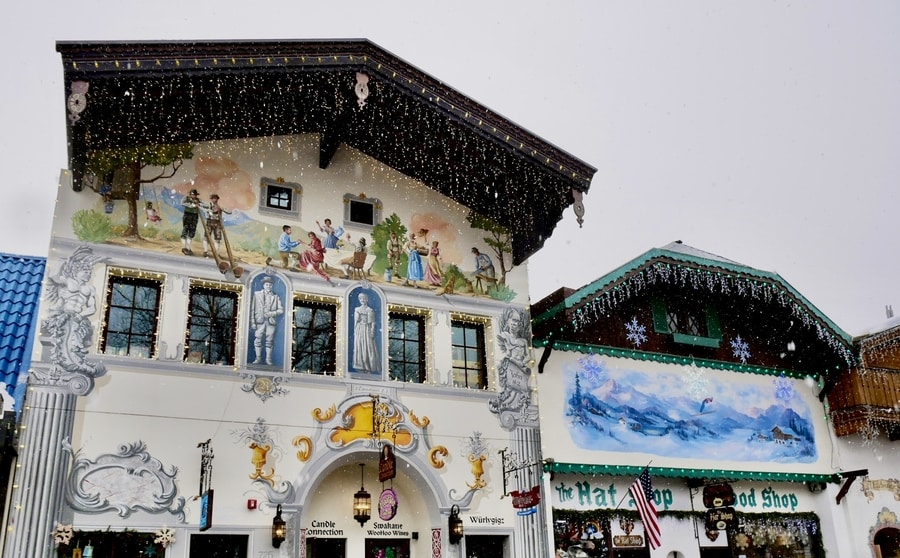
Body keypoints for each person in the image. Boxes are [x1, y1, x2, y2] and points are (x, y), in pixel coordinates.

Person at [251, 276, 283, 365]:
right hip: (259, 321)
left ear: (272, 286)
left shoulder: (276, 297)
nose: (268, 286)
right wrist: (252, 322)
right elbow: (252, 309)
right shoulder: (257, 294)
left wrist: (271, 313)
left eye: (270, 285)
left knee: (269, 340)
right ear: (264, 285)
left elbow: (281, 310)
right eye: (267, 284)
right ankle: (258, 358)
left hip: (271, 321)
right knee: (258, 339)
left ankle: (268, 359)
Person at [352, 292, 379, 372]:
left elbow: (373, 322)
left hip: (367, 328)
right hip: (359, 329)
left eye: (364, 298)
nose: (362, 300)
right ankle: (360, 364)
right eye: (360, 298)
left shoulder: (370, 310)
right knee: (359, 345)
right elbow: (356, 321)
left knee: (368, 345)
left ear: (367, 299)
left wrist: (372, 331)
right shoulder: (357, 309)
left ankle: (368, 364)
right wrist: (355, 329)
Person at [180, 189, 202, 255]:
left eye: (194, 194)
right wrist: (193, 205)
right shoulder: (186, 198)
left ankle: (188, 248)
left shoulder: (198, 200)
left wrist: (199, 204)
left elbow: (204, 205)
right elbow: (182, 203)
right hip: (187, 215)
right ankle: (184, 248)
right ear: (190, 194)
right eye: (192, 194)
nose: (193, 195)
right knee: (185, 230)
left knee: (192, 232)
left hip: (195, 216)